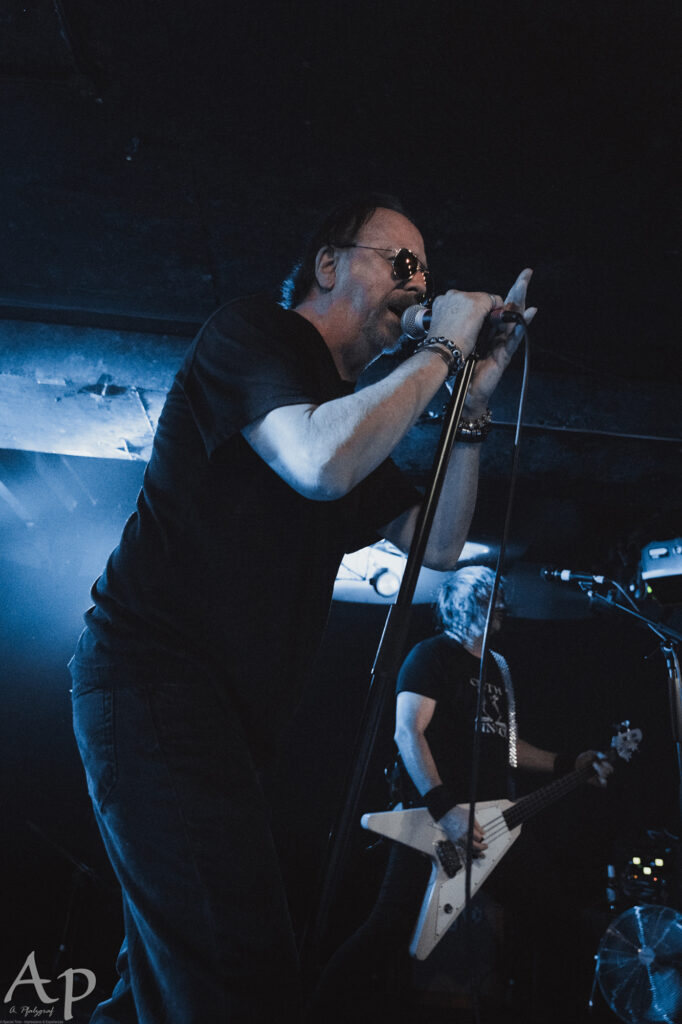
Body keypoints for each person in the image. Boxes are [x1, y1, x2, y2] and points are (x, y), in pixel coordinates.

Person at [69, 194, 535, 1023]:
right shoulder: (255, 336)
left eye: (425, 272)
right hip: (152, 682)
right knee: (238, 970)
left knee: (165, 982)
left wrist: (472, 400)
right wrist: (441, 343)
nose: (417, 282)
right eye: (401, 263)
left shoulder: (354, 420)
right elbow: (319, 462)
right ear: (328, 264)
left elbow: (440, 544)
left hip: (225, 722)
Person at [306, 565, 611, 1022]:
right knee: (387, 928)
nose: (500, 609)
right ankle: (311, 1010)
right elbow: (408, 733)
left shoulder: (498, 669)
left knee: (555, 918)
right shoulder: (430, 656)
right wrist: (445, 808)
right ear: (461, 604)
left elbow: (506, 747)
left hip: (494, 824)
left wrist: (569, 763)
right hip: (433, 819)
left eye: (500, 600)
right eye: (489, 599)